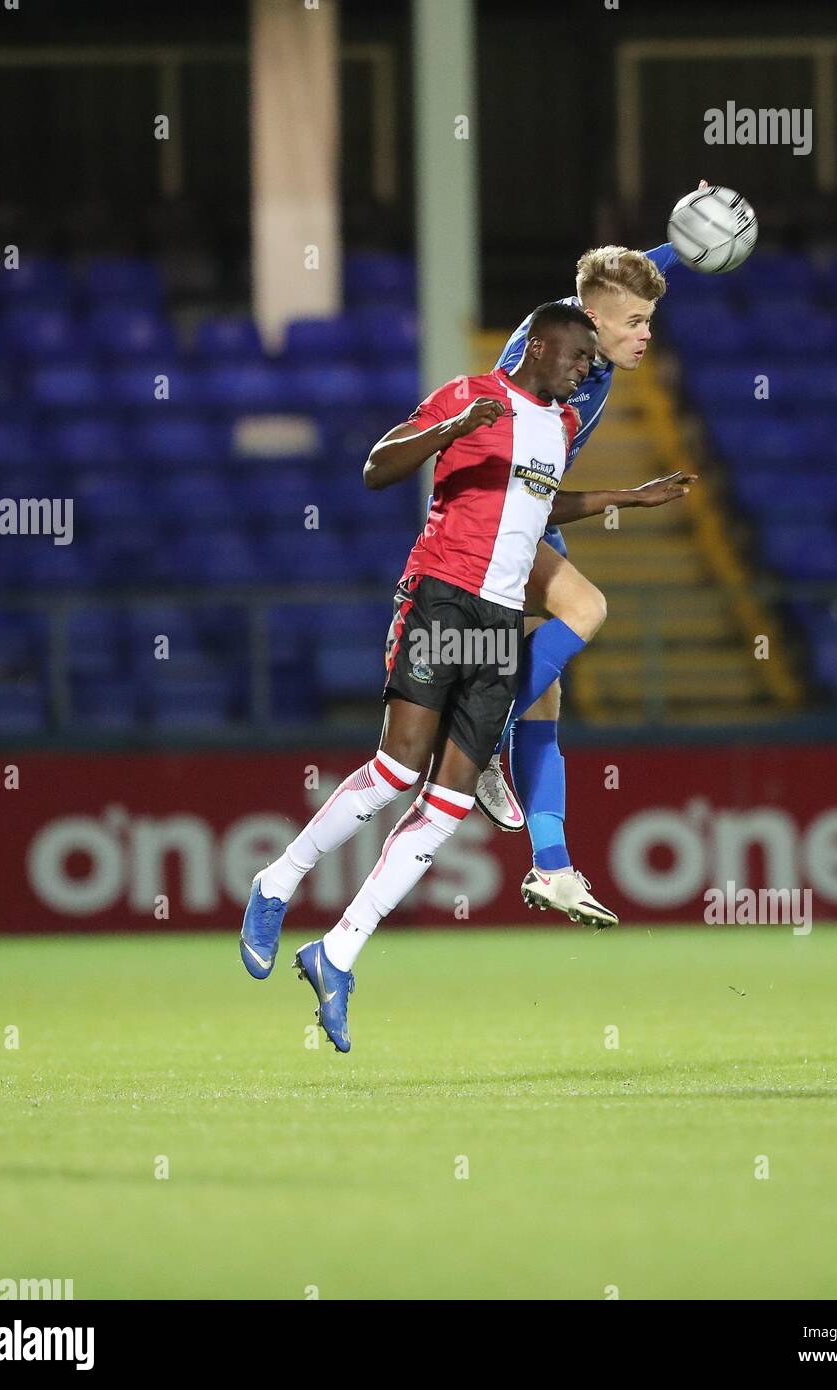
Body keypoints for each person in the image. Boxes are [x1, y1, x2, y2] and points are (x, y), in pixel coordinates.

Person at [239, 302, 597, 1051]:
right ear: (538, 345)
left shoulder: (560, 429)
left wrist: (622, 501)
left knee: (450, 804)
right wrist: (450, 432)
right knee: (398, 768)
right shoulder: (474, 394)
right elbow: (377, 466)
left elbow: (533, 510)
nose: (584, 370)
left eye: (590, 363)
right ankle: (278, 881)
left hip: (500, 619)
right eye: (576, 356)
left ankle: (337, 952)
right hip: (442, 594)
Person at [474, 217, 703, 927]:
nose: (646, 334)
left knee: (546, 695)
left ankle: (552, 867)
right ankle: (474, 731)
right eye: (635, 322)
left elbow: (612, 283)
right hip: (489, 519)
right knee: (586, 609)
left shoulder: (586, 339)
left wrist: (688, 240)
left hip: (530, 515)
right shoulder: (545, 358)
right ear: (591, 322)